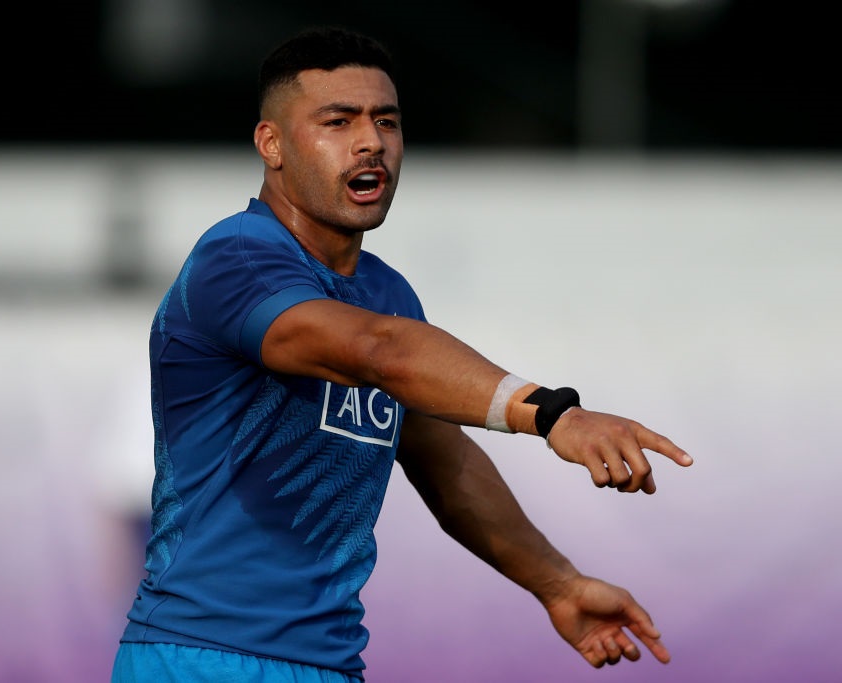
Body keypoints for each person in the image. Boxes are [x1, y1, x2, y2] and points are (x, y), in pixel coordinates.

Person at [112, 26, 692, 683]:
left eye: (386, 121)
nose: (371, 142)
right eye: (338, 121)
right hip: (201, 658)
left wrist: (556, 583)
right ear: (270, 144)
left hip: (329, 662)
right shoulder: (236, 257)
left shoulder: (388, 293)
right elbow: (378, 351)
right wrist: (553, 413)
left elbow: (446, 463)